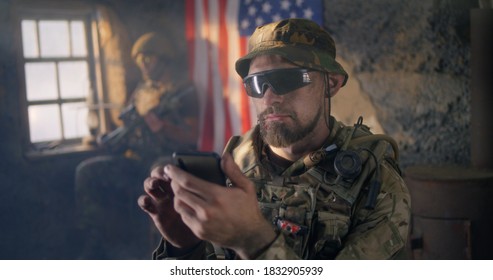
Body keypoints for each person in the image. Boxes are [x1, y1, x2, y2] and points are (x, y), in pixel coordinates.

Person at [138, 19, 411, 260]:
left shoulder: (374, 177)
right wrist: (185, 247)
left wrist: (254, 242)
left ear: (331, 83)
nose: (269, 97)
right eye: (257, 84)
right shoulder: (235, 162)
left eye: (288, 79)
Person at [74, 32, 199, 259]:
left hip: (165, 156)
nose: (143, 65)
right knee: (87, 171)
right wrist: (108, 137)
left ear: (164, 59)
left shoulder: (182, 92)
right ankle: (99, 242)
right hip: (135, 157)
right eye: (139, 60)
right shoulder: (141, 91)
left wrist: (162, 127)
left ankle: (163, 252)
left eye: (148, 58)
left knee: (159, 178)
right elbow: (127, 123)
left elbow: (192, 137)